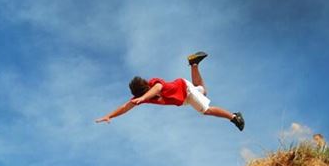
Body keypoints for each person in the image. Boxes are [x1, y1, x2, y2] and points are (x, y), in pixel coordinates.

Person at [95, 51, 245, 131]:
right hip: (184, 97)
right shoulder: (144, 97)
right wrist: (109, 116)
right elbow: (125, 107)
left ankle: (233, 117)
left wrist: (142, 98)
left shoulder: (154, 83)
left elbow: (158, 88)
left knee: (205, 110)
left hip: (184, 90)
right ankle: (194, 64)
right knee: (203, 91)